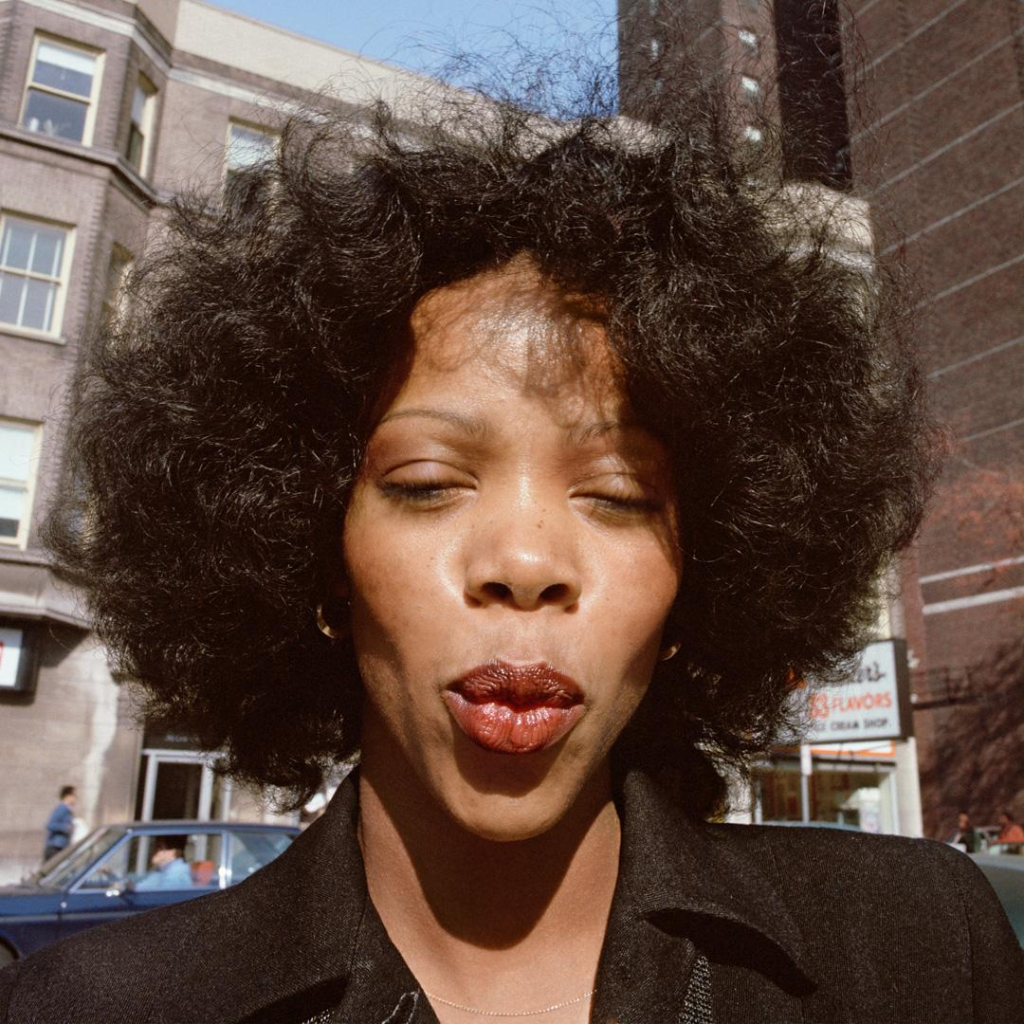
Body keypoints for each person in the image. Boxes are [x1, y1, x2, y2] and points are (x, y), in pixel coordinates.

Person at [1, 83, 1020, 1023]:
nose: (526, 560)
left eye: (619, 494)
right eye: (427, 482)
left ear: (697, 581)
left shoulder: (919, 951)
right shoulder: (95, 1005)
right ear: (314, 560)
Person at [41, 786, 76, 864]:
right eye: (74, 795)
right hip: (55, 848)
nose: (75, 799)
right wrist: (66, 827)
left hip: (60, 848)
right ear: (67, 796)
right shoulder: (62, 808)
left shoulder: (67, 809)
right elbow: (50, 824)